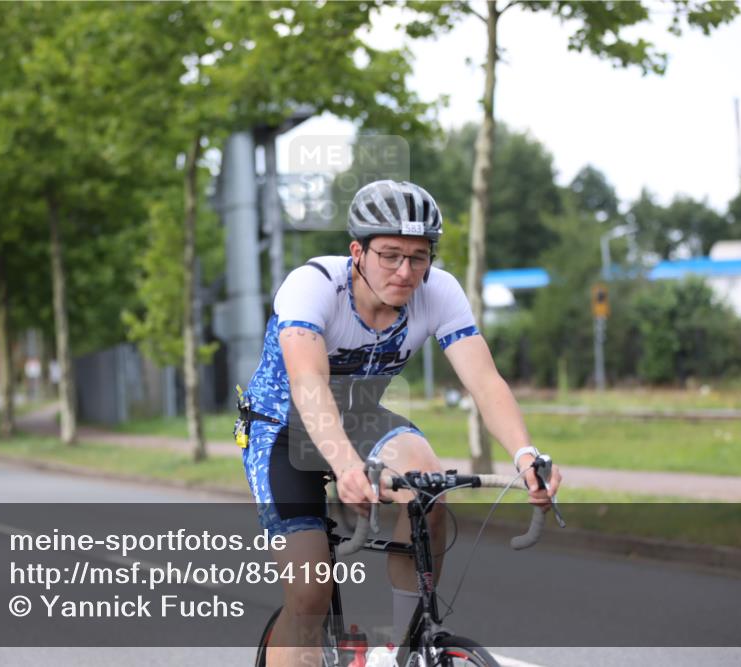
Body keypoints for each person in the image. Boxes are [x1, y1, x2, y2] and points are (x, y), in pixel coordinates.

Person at [239, 180, 563, 666]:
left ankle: (404, 649)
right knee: (310, 594)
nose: (405, 271)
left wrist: (525, 453)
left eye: (419, 256)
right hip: (282, 428)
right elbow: (308, 383)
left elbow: (485, 382)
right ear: (358, 252)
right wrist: (348, 467)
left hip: (361, 418)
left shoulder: (438, 290)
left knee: (427, 484)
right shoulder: (312, 286)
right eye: (390, 255)